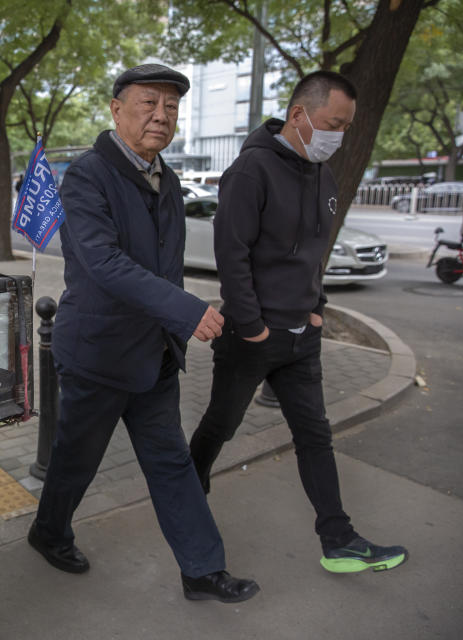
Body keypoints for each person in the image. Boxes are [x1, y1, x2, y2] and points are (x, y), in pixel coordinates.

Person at [28, 63, 259, 604]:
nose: (161, 116)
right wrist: (184, 310)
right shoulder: (87, 175)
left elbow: (167, 264)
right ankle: (49, 531)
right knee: (75, 461)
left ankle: (202, 570)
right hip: (99, 354)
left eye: (171, 107)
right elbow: (104, 263)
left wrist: (174, 325)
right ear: (116, 109)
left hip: (154, 356)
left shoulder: (169, 178)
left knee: (171, 462)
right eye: (148, 104)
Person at [190, 70, 408, 575]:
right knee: (221, 424)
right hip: (252, 338)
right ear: (299, 115)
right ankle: (188, 486)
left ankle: (339, 539)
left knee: (315, 435)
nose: (340, 135)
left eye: (348, 127)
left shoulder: (324, 176)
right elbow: (233, 255)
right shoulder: (251, 171)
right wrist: (252, 327)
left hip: (302, 338)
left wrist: (317, 308)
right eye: (334, 123)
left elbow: (315, 251)